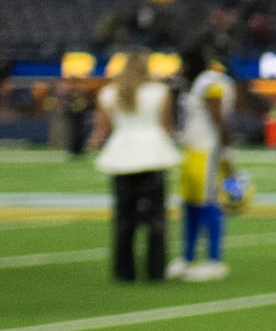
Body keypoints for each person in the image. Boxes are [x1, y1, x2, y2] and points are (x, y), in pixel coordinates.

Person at [90, 54, 179, 285]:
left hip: (122, 155)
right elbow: (167, 126)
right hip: (153, 154)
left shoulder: (109, 93)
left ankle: (123, 271)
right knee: (156, 218)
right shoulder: (159, 92)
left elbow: (104, 128)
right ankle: (156, 270)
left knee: (123, 218)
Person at [173, 45, 240, 282]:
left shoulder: (208, 81)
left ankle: (214, 260)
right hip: (193, 148)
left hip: (207, 150)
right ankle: (187, 257)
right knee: (190, 204)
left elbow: (218, 117)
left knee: (208, 204)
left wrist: (226, 153)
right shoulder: (198, 83)